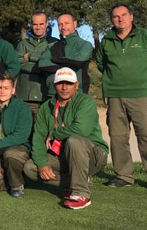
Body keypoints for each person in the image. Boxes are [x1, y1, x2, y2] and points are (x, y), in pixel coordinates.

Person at [96, 3, 147, 192]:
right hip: (114, 95)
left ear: (131, 16)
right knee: (118, 137)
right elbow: (101, 64)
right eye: (116, 16)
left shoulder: (145, 37)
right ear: (111, 20)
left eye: (124, 15)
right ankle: (123, 176)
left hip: (140, 95)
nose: (120, 19)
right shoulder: (107, 40)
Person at [23, 68, 108, 210]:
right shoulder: (46, 107)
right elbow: (38, 138)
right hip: (63, 156)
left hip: (93, 155)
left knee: (74, 140)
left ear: (76, 85)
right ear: (54, 85)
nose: (64, 87)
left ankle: (81, 193)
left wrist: (55, 133)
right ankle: (79, 181)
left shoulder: (85, 102)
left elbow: (81, 130)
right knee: (30, 168)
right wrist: (43, 164)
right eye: (60, 83)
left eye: (68, 83)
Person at [38, 13, 93, 96]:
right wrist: (67, 66)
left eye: (67, 23)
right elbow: (42, 64)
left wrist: (55, 60)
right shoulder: (51, 46)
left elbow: (78, 62)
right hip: (53, 93)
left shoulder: (85, 45)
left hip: (77, 93)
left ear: (75, 24)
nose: (63, 27)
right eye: (60, 24)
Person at [16, 11, 57, 116]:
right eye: (35, 24)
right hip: (26, 96)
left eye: (41, 24)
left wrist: (31, 56)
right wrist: (42, 68)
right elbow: (18, 63)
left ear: (47, 24)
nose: (38, 27)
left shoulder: (55, 43)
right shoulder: (23, 44)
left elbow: (55, 62)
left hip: (48, 94)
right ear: (31, 25)